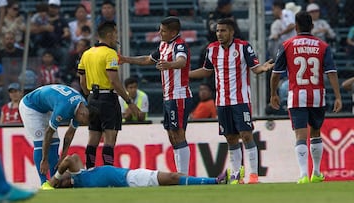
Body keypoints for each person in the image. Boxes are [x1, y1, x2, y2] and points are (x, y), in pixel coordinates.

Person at [189, 18, 274, 184]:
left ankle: (254, 175)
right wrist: (186, 75)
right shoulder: (211, 49)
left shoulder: (243, 47)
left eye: (223, 31)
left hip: (240, 100)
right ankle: (237, 175)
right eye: (218, 31)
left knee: (246, 135)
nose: (219, 34)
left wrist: (262, 68)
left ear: (232, 32)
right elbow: (206, 71)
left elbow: (255, 68)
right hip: (221, 102)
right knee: (230, 138)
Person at [270, 11, 342, 184]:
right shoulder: (323, 46)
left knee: (300, 135)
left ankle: (303, 174)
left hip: (296, 97)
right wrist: (338, 96)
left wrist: (273, 93)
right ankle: (316, 172)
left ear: (295, 27)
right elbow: (331, 72)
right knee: (316, 133)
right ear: (312, 26)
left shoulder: (286, 44)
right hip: (317, 96)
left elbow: (276, 74)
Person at [120, 16, 193, 175]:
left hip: (179, 95)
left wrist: (169, 64)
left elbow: (182, 61)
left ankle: (183, 174)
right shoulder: (163, 45)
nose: (159, 33)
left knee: (178, 132)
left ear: (173, 32)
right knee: (171, 133)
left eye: (163, 30)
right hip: (168, 96)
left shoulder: (179, 45)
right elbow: (147, 59)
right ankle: (180, 172)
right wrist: (125, 59)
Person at [78, 21, 141, 169]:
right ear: (109, 34)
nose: (116, 36)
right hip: (108, 98)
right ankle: (108, 171)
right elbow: (114, 81)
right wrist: (129, 101)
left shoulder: (86, 54)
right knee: (109, 138)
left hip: (93, 97)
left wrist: (90, 95)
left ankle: (90, 170)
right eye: (115, 33)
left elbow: (82, 81)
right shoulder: (110, 53)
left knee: (93, 137)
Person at [18, 84, 94, 186]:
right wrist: (44, 160)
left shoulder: (83, 106)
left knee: (54, 142)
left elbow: (70, 133)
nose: (82, 124)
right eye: (84, 122)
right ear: (83, 114)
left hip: (46, 106)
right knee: (41, 142)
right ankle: (44, 183)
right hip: (31, 106)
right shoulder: (63, 109)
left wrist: (63, 156)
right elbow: (48, 133)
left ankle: (54, 182)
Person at [42, 153, 225, 189]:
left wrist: (55, 178)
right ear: (64, 182)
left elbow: (71, 158)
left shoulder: (79, 174)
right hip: (131, 180)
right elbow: (68, 160)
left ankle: (215, 181)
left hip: (130, 175)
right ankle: (215, 181)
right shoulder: (79, 182)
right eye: (61, 176)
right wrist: (54, 181)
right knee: (173, 177)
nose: (62, 172)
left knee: (173, 178)